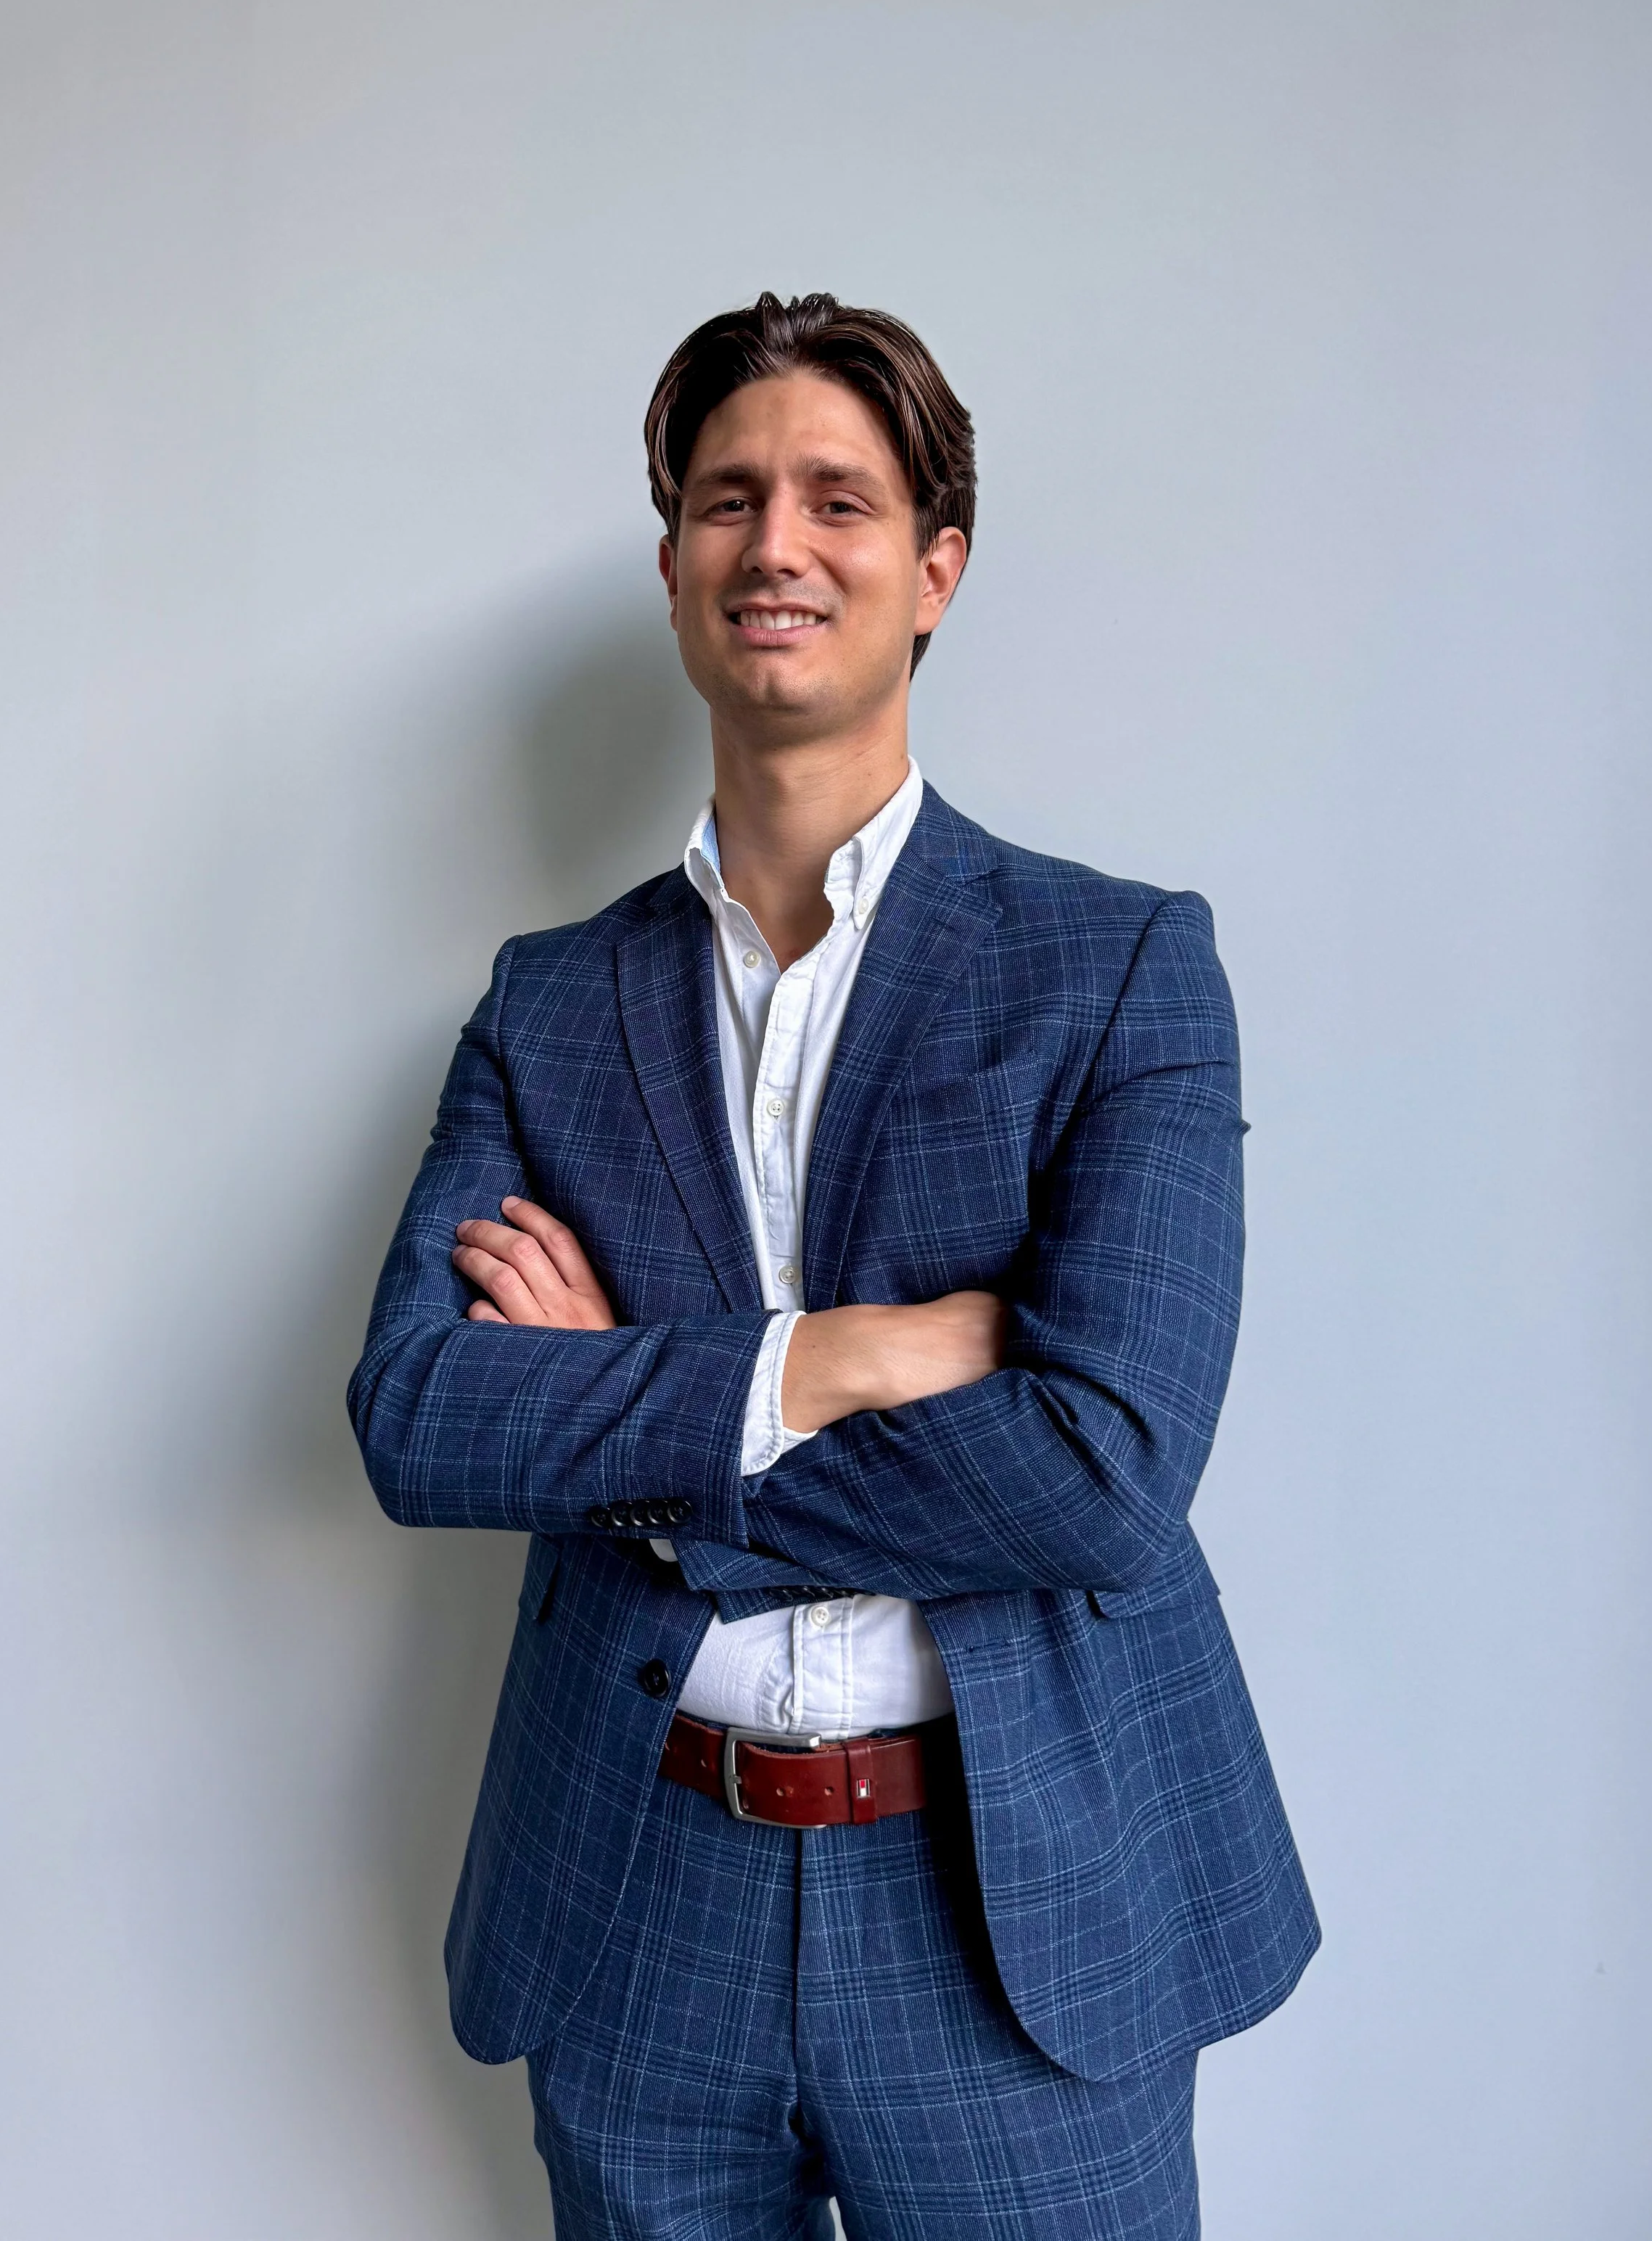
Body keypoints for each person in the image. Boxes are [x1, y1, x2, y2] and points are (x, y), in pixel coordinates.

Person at [348, 292, 1318, 2240]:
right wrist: (843, 1357)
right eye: (726, 498)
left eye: (836, 499)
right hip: (638, 1899)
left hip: (1013, 1901)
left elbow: (1102, 1467)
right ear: (673, 561)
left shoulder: (1117, 967)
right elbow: (425, 1416)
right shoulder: (548, 1008)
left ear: (932, 569)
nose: (773, 542)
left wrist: (636, 1438)